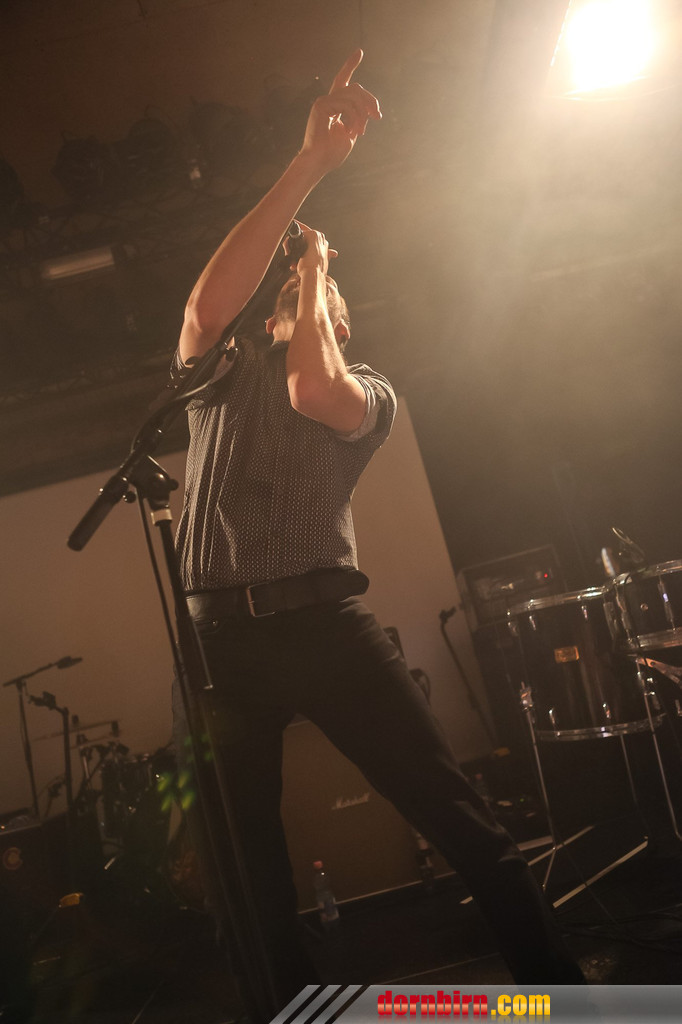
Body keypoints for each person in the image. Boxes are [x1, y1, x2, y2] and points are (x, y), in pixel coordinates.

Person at [170, 49, 584, 1012]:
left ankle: (562, 998)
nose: (308, 304)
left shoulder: (368, 391)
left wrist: (316, 267)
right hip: (220, 641)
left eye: (325, 308)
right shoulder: (219, 373)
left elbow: (311, 386)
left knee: (463, 824)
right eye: (301, 298)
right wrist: (309, 166)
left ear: (343, 324)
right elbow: (203, 305)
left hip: (326, 629)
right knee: (248, 877)